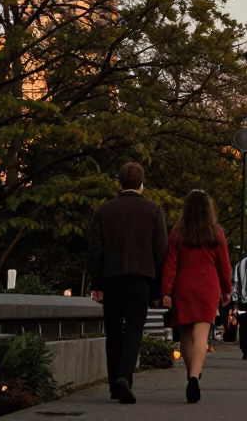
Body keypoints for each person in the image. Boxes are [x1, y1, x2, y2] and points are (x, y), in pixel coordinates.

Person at [87, 162, 168, 405]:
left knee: (113, 330)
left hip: (111, 277)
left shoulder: (104, 210)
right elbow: (160, 249)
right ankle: (125, 376)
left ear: (119, 182)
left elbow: (95, 248)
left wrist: (96, 281)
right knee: (134, 329)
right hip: (140, 277)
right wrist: (159, 283)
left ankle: (114, 383)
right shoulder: (154, 210)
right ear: (141, 183)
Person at [161, 190, 232, 405]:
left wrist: (165, 291)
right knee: (201, 336)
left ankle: (191, 374)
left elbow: (170, 264)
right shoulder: (216, 233)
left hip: (183, 286)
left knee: (185, 337)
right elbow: (224, 264)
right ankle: (194, 376)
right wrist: (227, 289)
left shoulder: (177, 233)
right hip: (208, 286)